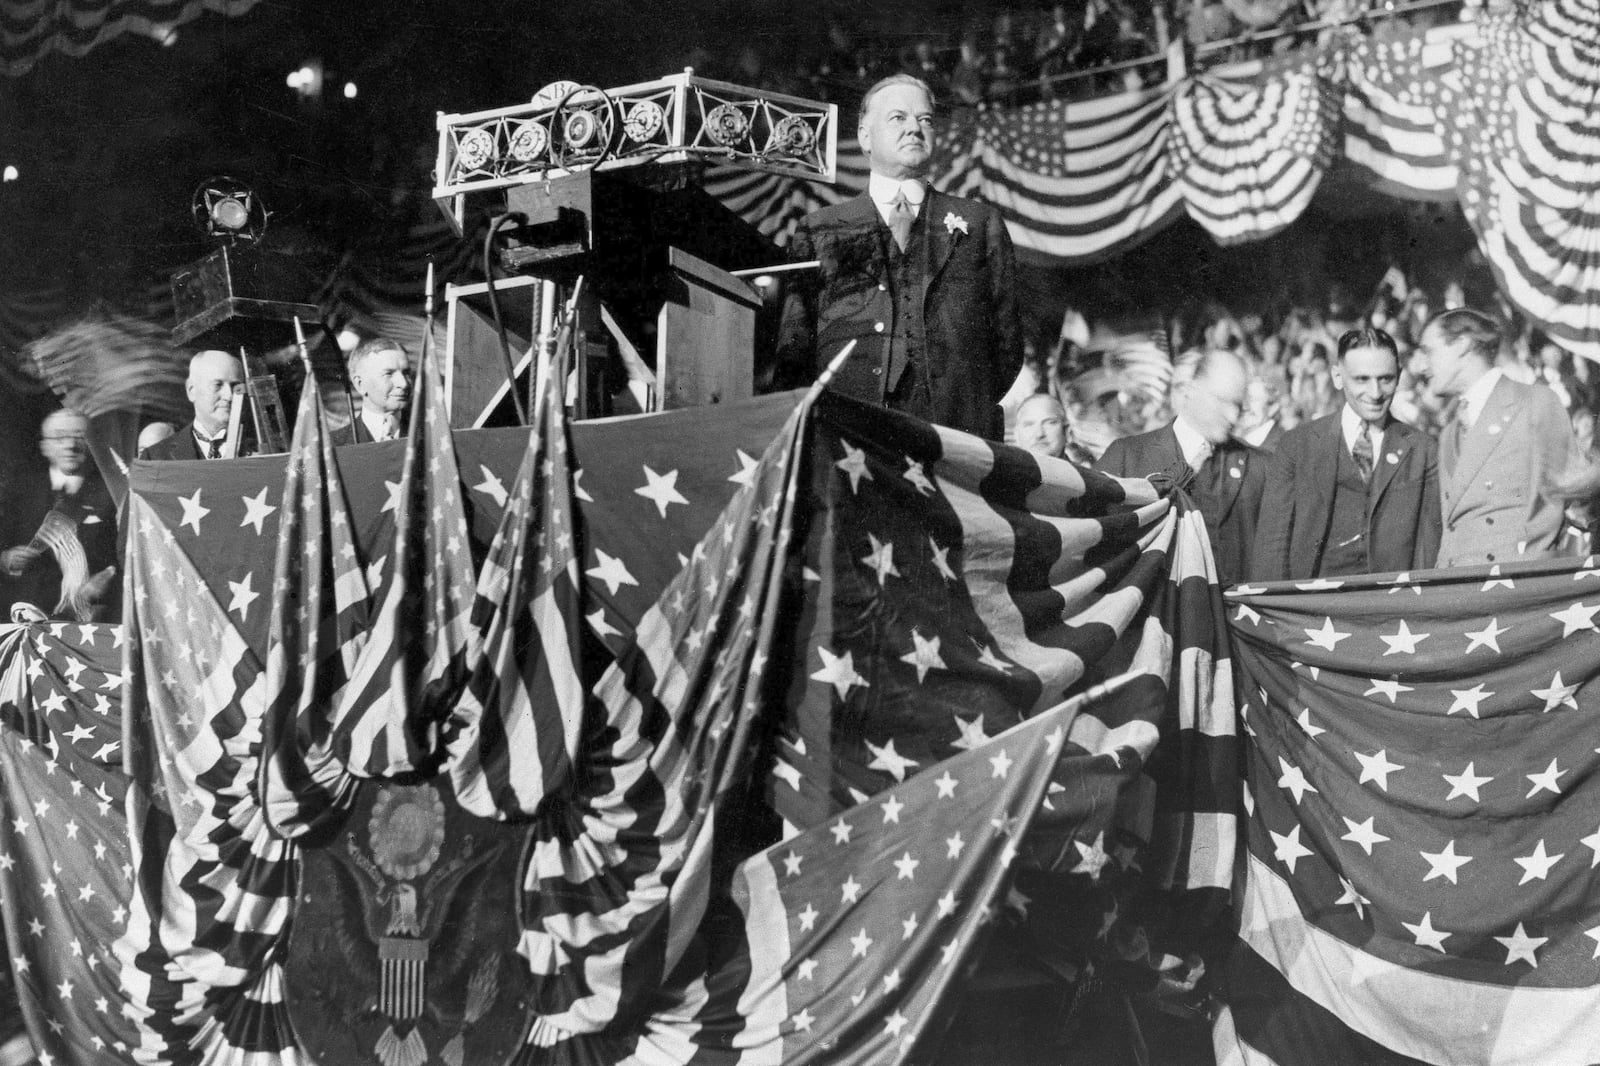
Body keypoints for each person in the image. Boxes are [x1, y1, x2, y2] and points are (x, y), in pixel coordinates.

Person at [773, 73, 1022, 440]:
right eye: (898, 118)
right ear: (864, 136)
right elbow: (794, 351)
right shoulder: (820, 230)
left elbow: (1007, 344)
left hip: (958, 438)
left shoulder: (981, 223)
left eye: (925, 120)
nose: (915, 129)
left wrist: (963, 403)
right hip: (850, 438)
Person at [1251, 328, 1441, 580]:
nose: (1375, 393)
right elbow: (1272, 547)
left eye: (1386, 379)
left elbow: (1428, 550)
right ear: (1338, 377)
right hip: (1314, 605)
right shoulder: (1297, 446)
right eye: (1361, 379)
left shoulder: (1422, 450)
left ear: (1399, 376)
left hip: (1390, 606)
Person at [1422, 308, 1580, 567]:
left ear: (1463, 344)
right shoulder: (1449, 433)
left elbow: (1572, 496)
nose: (1422, 364)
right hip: (1458, 588)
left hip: (1514, 585)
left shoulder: (1535, 403)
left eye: (1429, 351)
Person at [1095, 348, 1266, 586]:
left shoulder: (1261, 467)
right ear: (1190, 391)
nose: (1233, 415)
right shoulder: (1126, 456)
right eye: (1223, 401)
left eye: (1238, 405)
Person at [1, 410, 118, 622]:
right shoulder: (19, 491)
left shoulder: (113, 494)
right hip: (23, 619)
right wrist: (5, 558)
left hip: (89, 620)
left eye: (79, 437)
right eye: (60, 437)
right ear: (45, 446)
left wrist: (106, 582)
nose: (70, 446)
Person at [140, 349, 246, 460]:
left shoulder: (260, 451)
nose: (229, 396)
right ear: (191, 390)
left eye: (235, 386)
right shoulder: (155, 457)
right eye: (217, 385)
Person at [345, 337, 412, 443]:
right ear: (360, 384)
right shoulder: (333, 446)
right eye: (388, 374)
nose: (404, 384)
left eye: (406, 373)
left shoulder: (432, 438)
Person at [1014, 392, 1071, 459]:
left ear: (1067, 432)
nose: (1039, 434)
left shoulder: (1080, 470)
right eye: (1029, 425)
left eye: (1050, 423)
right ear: (1016, 435)